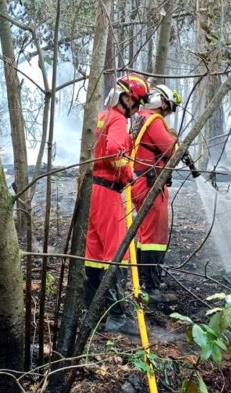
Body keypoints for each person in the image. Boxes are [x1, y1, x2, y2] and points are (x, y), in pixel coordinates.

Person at [84, 72, 150, 332]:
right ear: (130, 99)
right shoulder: (118, 120)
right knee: (116, 252)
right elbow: (113, 151)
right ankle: (118, 315)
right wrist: (128, 174)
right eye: (138, 103)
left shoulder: (101, 117)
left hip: (92, 192)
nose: (137, 109)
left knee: (94, 252)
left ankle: (93, 313)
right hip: (108, 192)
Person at [130, 84, 182, 297]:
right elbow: (172, 150)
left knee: (145, 233)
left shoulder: (140, 117)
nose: (167, 113)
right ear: (161, 102)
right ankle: (150, 287)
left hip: (141, 182)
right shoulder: (154, 121)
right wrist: (174, 138)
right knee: (155, 236)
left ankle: (142, 281)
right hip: (150, 184)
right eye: (168, 108)